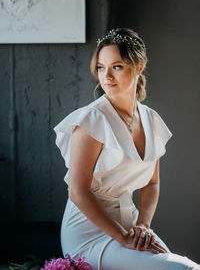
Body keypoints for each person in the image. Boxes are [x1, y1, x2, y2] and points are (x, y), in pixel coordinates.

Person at [53, 28, 200, 270]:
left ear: (139, 66)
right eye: (101, 67)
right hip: (88, 233)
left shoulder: (150, 120)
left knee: (184, 267)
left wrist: (143, 226)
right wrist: (122, 237)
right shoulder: (91, 120)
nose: (106, 76)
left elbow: (152, 183)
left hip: (130, 225)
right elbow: (77, 191)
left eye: (117, 66)